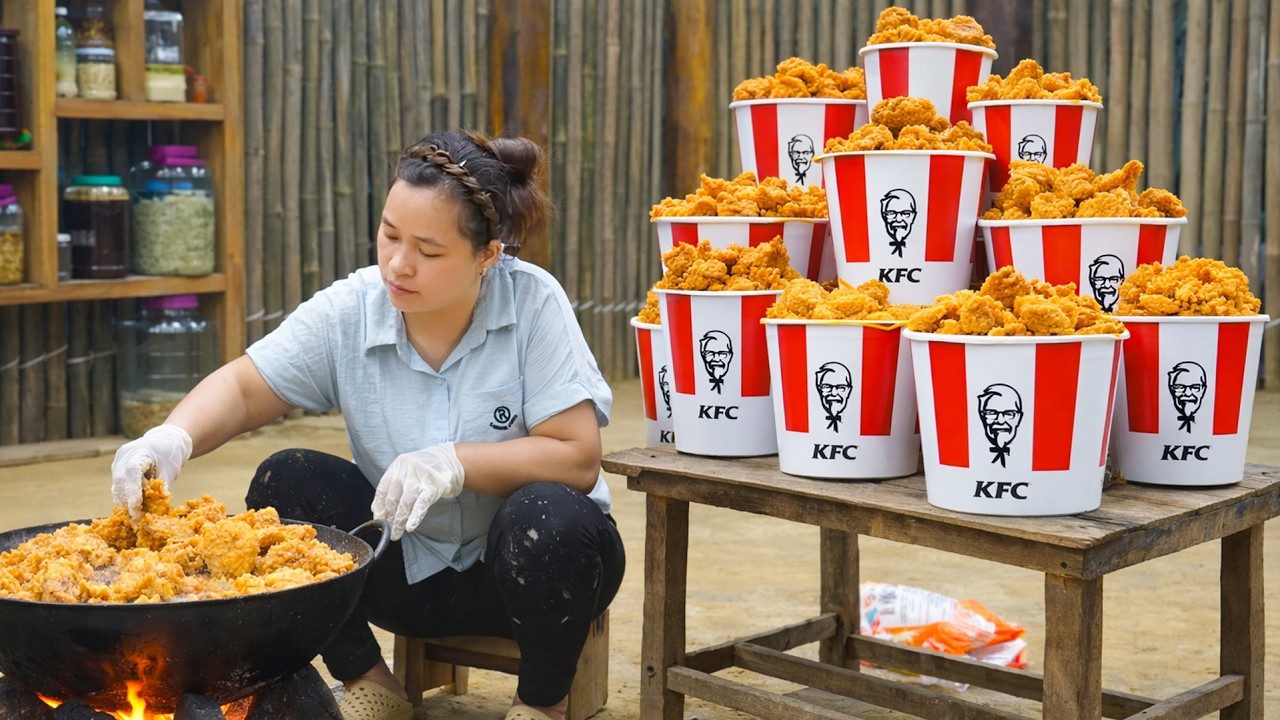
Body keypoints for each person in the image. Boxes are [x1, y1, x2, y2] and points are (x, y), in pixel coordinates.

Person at [109, 130, 625, 720]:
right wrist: (171, 438)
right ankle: (371, 683)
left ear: (489, 254)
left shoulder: (533, 303)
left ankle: (541, 703)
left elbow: (578, 458)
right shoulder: (353, 309)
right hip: (401, 570)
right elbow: (247, 385)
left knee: (550, 515)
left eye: (429, 251)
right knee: (288, 480)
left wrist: (456, 462)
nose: (399, 264)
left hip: (526, 577)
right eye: (389, 234)